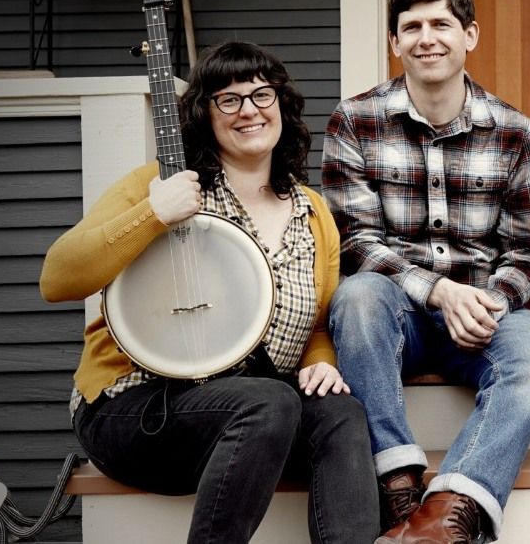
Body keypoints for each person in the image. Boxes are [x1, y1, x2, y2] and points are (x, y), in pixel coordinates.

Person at [40, 41, 378, 543]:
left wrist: (322, 357)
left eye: (262, 95)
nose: (249, 111)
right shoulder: (162, 184)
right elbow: (57, 278)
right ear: (205, 112)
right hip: (135, 411)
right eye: (229, 98)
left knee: (340, 413)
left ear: (283, 106)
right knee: (270, 402)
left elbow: (320, 325)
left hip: (251, 420)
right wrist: (153, 214)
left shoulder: (311, 212)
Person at [322, 0, 530, 544]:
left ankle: (447, 514)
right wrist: (437, 291)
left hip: (480, 313)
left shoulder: (512, 130)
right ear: (394, 43)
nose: (427, 37)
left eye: (441, 24)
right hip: (394, 314)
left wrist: (486, 301)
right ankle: (398, 483)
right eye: (412, 27)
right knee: (356, 296)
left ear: (470, 35)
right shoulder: (354, 121)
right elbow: (354, 241)